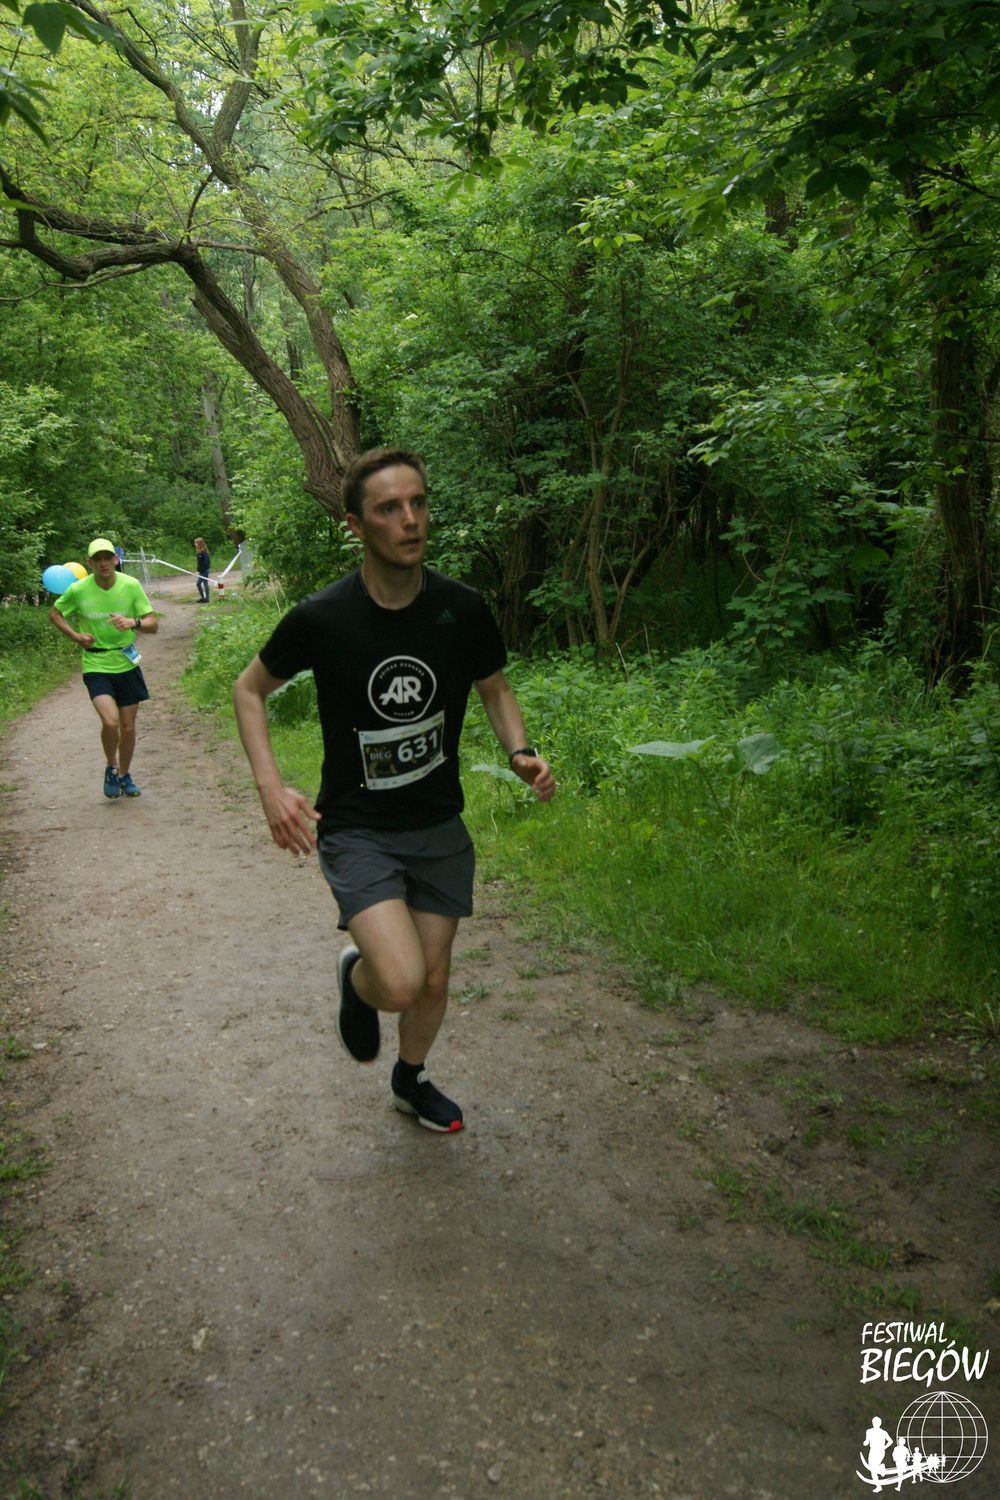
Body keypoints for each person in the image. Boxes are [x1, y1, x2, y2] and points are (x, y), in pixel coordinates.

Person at [232, 448, 555, 1133]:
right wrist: (271, 789)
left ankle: (410, 1079)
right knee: (401, 981)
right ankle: (360, 979)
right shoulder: (324, 616)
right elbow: (249, 690)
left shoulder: (460, 608)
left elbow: (494, 688)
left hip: (438, 824)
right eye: (388, 508)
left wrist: (521, 752)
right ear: (356, 525)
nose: (410, 520)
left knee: (433, 979)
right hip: (358, 828)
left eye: (418, 503)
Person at [49, 537, 157, 800]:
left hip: (126, 662)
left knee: (128, 727)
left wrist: (133, 622)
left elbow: (152, 623)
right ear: (90, 563)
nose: (103, 563)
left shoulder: (130, 585)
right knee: (110, 722)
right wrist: (76, 636)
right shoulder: (78, 590)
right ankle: (112, 767)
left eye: (108, 558)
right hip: (95, 663)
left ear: (116, 560)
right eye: (97, 559)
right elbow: (55, 613)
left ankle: (125, 775)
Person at [195, 537, 211, 602]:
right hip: (202, 571)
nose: (195, 544)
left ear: (199, 544)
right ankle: (203, 597)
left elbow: (205, 563)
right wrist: (198, 570)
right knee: (198, 584)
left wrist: (200, 570)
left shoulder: (204, 552)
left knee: (204, 583)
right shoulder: (199, 552)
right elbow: (199, 563)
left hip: (205, 570)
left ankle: (207, 598)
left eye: (196, 543)